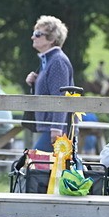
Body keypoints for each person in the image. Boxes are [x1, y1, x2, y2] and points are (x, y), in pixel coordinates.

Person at [26, 15, 74, 151]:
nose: (33, 37)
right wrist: (34, 83)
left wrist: (57, 128)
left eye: (38, 34)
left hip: (56, 130)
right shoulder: (49, 60)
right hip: (50, 127)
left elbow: (60, 97)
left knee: (36, 161)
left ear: (52, 39)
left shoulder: (57, 61)